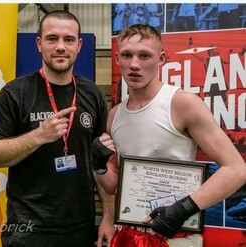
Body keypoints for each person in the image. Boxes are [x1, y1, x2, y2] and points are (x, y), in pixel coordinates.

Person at [93, 23, 246, 242]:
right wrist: (99, 166)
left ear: (161, 59)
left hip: (175, 236)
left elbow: (237, 169)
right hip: (127, 232)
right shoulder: (115, 114)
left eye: (144, 56)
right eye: (127, 55)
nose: (134, 64)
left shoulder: (182, 104)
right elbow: (114, 184)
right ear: (117, 59)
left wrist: (183, 209)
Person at [0, 10, 115, 247]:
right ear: (39, 44)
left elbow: (101, 162)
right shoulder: (15, 93)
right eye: (52, 38)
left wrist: (107, 216)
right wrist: (39, 136)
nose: (61, 47)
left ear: (79, 45)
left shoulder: (93, 94)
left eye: (69, 39)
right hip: (28, 229)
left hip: (81, 227)